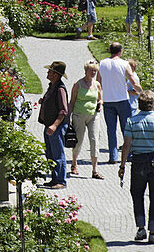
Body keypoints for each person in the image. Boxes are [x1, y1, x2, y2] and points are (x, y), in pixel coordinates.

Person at [119, 90, 154, 243]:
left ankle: (140, 228)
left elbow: (126, 145)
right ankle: (153, 231)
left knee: (137, 194)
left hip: (138, 161)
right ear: (153, 104)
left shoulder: (131, 121)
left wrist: (122, 165)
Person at [97, 42, 141, 163]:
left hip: (108, 100)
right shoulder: (124, 64)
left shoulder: (102, 63)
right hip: (122, 100)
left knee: (111, 130)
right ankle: (129, 154)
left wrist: (99, 99)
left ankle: (113, 157)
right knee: (126, 129)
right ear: (120, 51)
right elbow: (133, 82)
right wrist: (142, 92)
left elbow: (98, 84)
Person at [68, 60, 104, 179]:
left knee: (94, 140)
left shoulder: (97, 84)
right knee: (78, 140)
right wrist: (68, 117)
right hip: (79, 115)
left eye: (95, 70)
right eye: (91, 70)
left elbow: (100, 99)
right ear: (85, 71)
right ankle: (74, 163)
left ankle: (94, 169)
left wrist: (100, 104)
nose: (93, 72)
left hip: (93, 116)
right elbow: (72, 101)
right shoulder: (77, 84)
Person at [38, 61, 70, 189]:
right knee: (50, 154)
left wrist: (55, 126)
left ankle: (61, 181)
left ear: (55, 75)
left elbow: (63, 111)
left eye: (49, 71)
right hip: (49, 125)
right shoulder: (52, 86)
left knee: (58, 154)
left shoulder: (60, 89)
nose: (47, 73)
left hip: (55, 127)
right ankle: (54, 178)